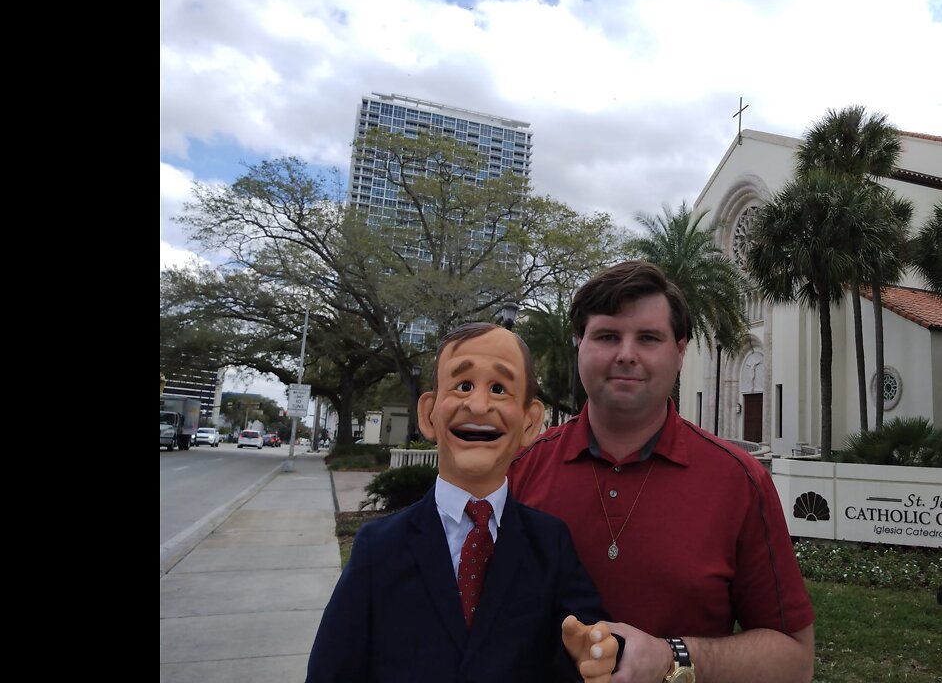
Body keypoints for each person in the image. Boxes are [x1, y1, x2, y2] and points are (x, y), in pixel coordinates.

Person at [509, 261, 815, 683]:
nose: (626, 354)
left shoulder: (739, 481)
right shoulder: (518, 473)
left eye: (649, 338)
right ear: (579, 343)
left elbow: (795, 661)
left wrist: (672, 657)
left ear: (681, 350)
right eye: (607, 336)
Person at [307, 322, 618, 683]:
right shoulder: (378, 547)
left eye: (499, 389)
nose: (478, 404)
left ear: (531, 423)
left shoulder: (550, 543)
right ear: (429, 414)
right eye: (463, 385)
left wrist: (591, 654)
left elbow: (590, 638)